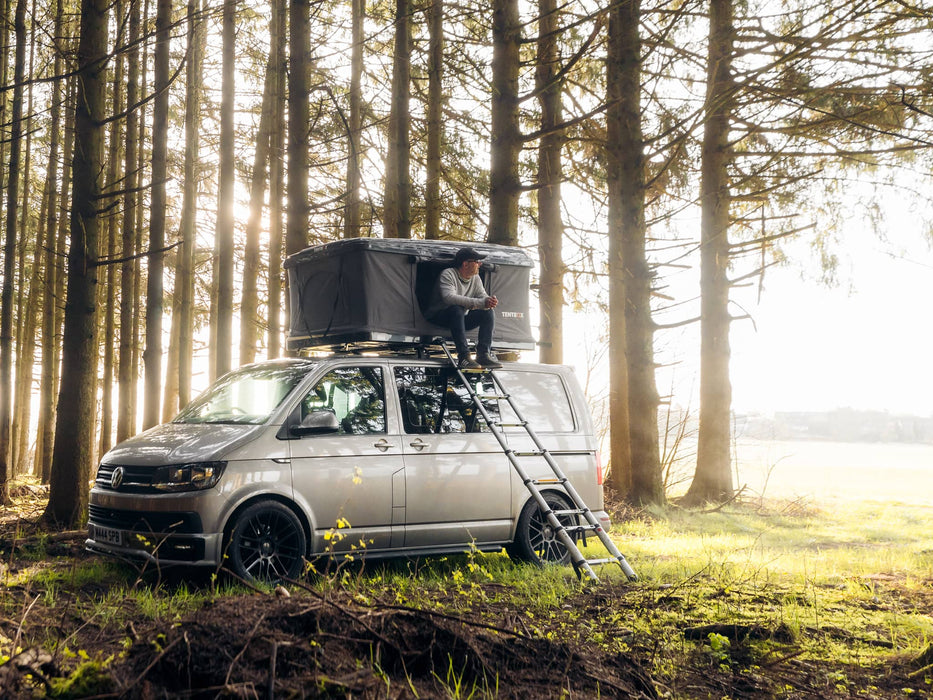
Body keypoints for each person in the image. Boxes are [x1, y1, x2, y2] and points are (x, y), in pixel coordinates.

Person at [426, 246, 503, 369]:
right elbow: (449, 298)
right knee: (456, 309)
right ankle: (464, 356)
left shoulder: (475, 278)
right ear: (465, 264)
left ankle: (483, 354)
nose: (480, 264)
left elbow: (482, 296)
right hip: (439, 317)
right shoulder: (448, 274)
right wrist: (479, 303)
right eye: (476, 262)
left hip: (460, 319)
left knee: (488, 312)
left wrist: (489, 302)